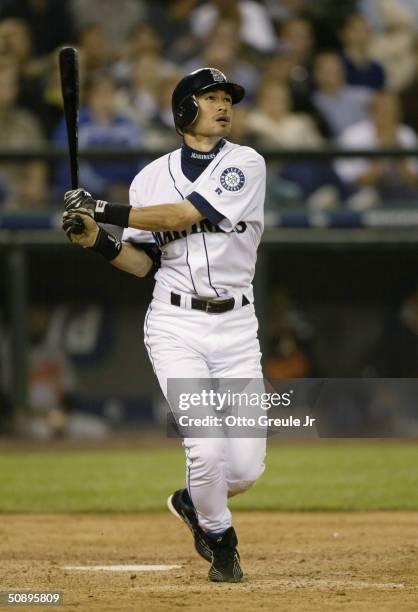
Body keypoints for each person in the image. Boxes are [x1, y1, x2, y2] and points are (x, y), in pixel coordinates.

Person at [62, 67, 267, 583]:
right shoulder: (150, 177)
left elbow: (183, 214)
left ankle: (191, 501)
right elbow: (144, 263)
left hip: (238, 328)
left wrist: (101, 208)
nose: (223, 106)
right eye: (210, 98)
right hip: (176, 323)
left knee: (243, 470)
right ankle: (222, 542)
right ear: (182, 110)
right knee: (205, 447)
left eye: (227, 98)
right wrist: (95, 240)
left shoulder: (245, 163)